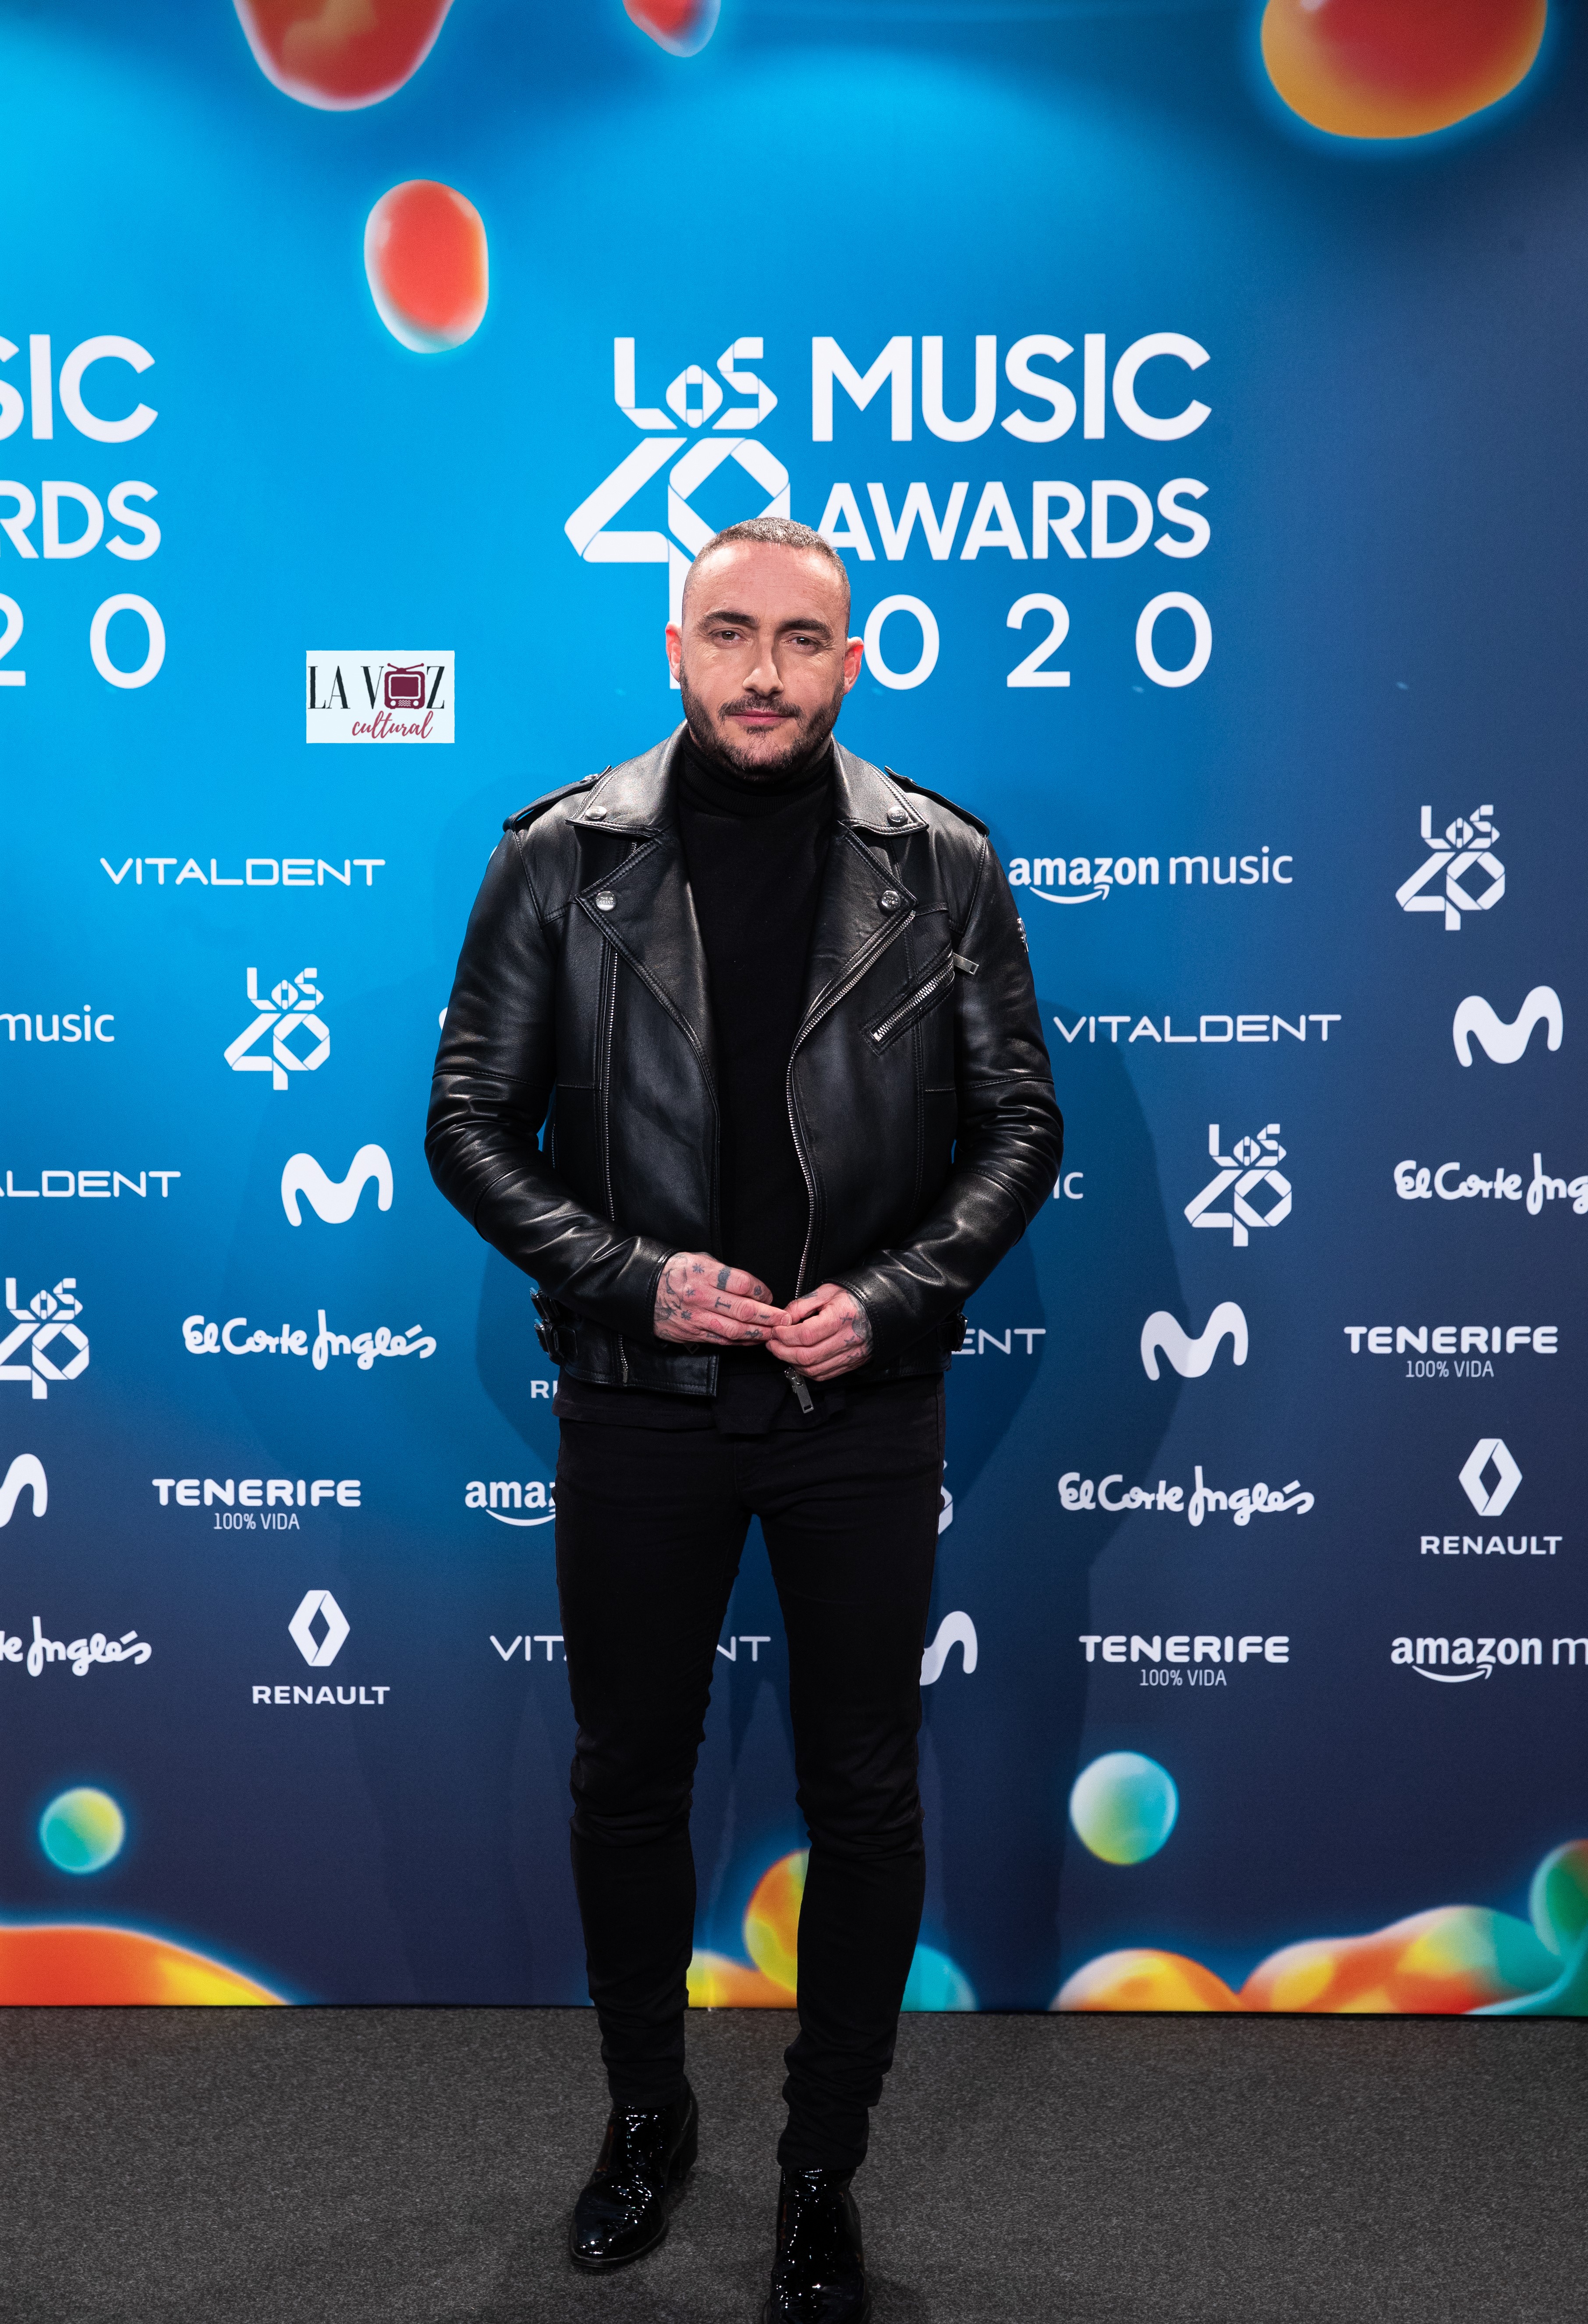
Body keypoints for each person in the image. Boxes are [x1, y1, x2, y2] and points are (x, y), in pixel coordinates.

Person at [427, 516, 1062, 2322]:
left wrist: (896, 1294)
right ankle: (648, 2117)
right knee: (628, 1775)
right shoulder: (561, 856)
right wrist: (634, 1279)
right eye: (729, 634)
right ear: (676, 649)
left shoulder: (940, 862)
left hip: (863, 1401)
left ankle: (819, 2173)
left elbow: (1023, 1123)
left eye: (800, 639)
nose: (763, 672)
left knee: (862, 1793)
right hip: (643, 1397)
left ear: (852, 661)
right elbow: (467, 1120)